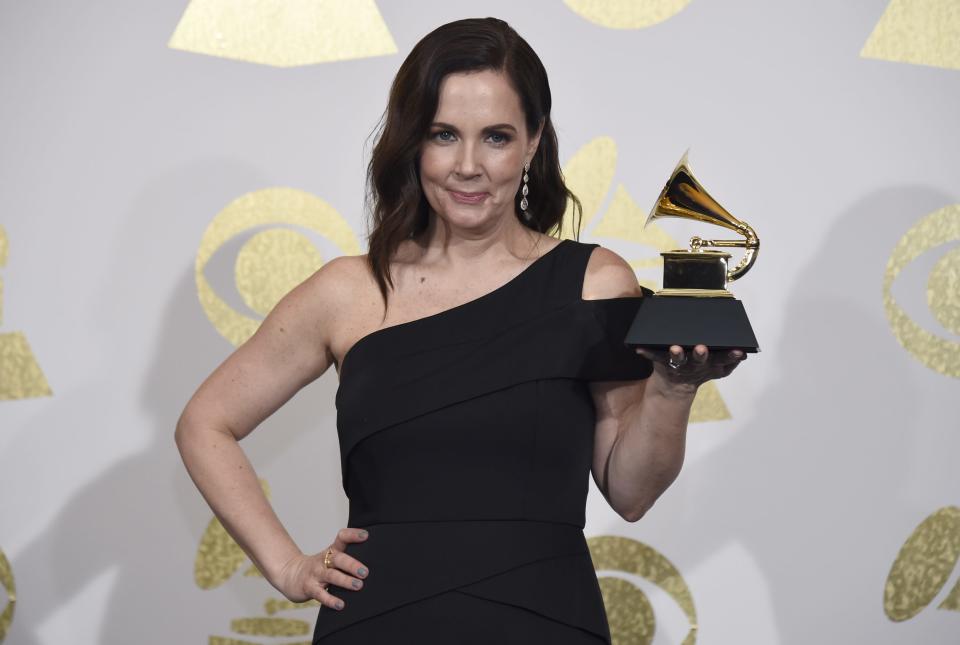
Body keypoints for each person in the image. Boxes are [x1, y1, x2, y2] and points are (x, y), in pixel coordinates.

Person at [175, 16, 746, 644]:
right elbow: (205, 424)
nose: (468, 166)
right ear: (412, 141)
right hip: (381, 621)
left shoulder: (594, 282)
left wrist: (673, 388)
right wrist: (286, 565)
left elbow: (630, 492)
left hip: (545, 621)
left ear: (533, 143)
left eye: (496, 137)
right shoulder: (347, 292)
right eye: (444, 134)